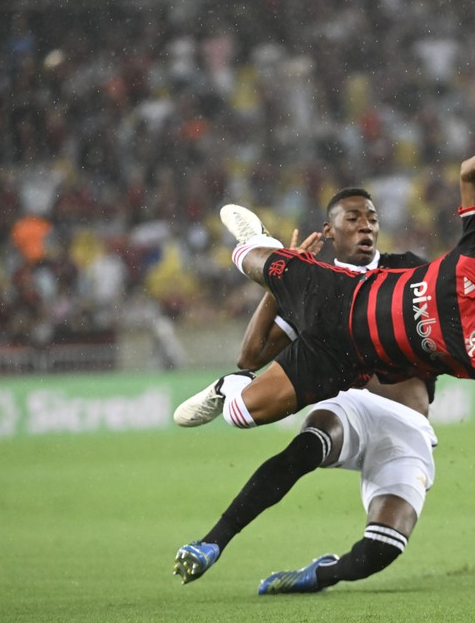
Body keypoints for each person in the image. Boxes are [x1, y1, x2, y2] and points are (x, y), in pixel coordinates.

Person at [175, 128, 475, 558]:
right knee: (247, 258)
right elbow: (472, 173)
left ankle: (224, 388)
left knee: (239, 414)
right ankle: (262, 244)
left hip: (346, 361)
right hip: (339, 296)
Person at [173, 188, 440, 593]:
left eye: (371, 217)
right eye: (352, 218)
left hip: (407, 427)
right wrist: (280, 282)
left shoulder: (408, 271)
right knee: (306, 448)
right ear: (329, 231)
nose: (366, 224)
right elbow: (252, 356)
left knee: (380, 551)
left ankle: (318, 574)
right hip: (350, 402)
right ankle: (212, 542)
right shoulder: (318, 292)